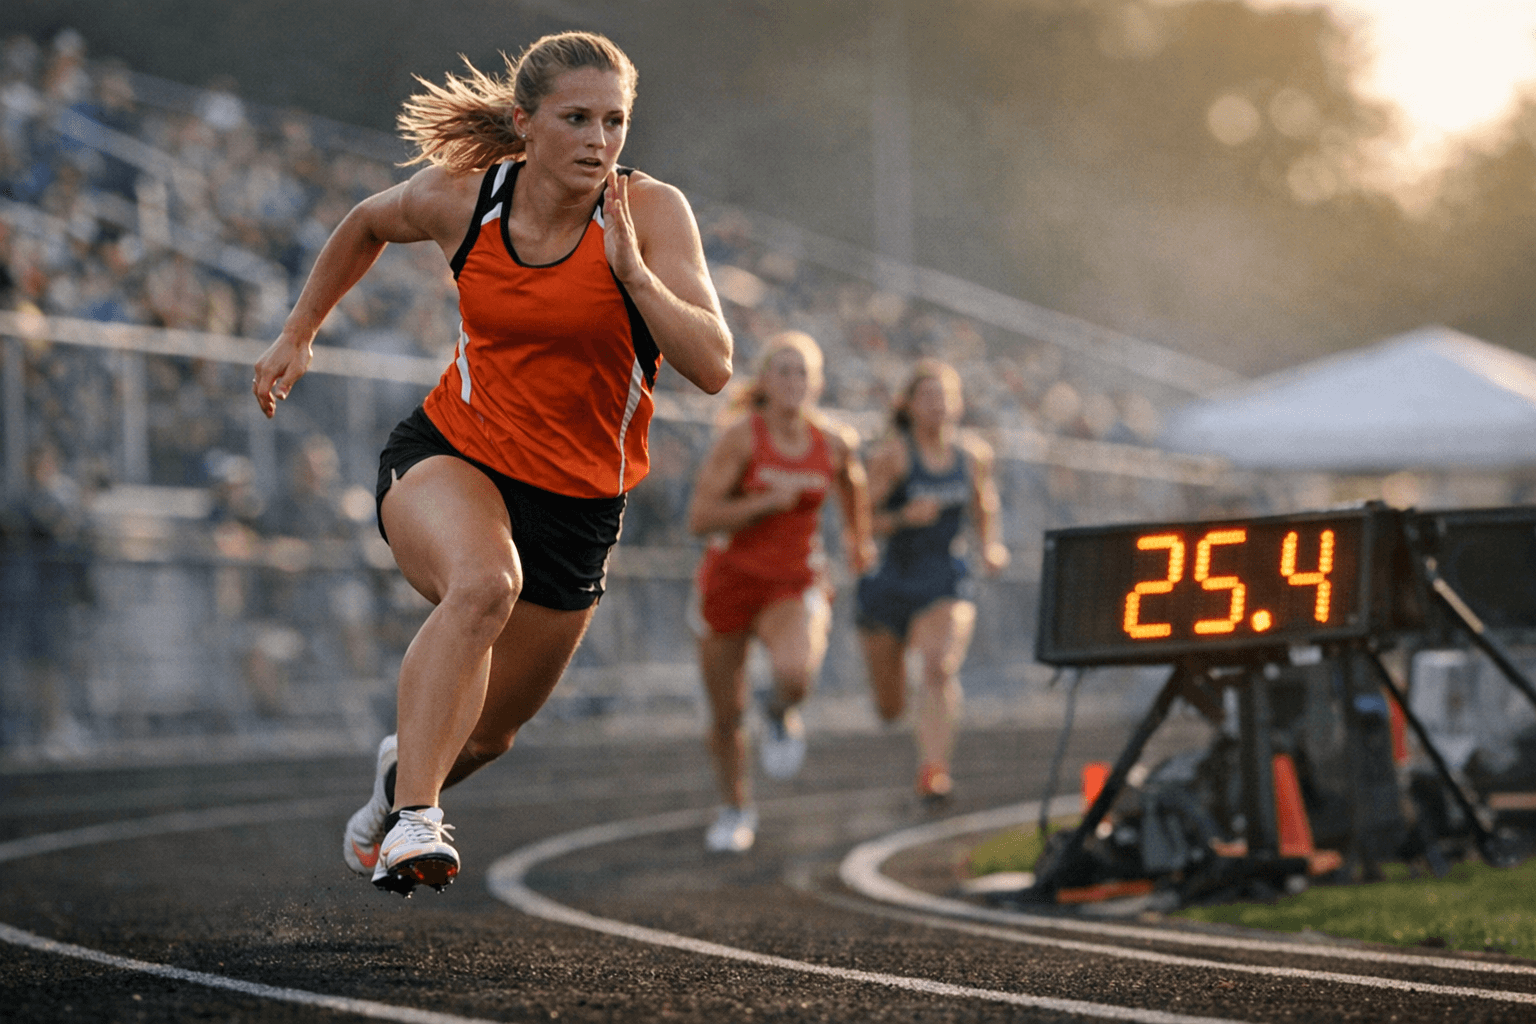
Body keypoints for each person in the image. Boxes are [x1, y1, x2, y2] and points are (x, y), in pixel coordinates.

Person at [250, 32, 732, 895]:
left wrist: (636, 279)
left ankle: (401, 782)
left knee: (487, 736)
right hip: (452, 455)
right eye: (576, 119)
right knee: (483, 586)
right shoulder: (464, 199)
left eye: (615, 122)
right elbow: (366, 222)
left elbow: (714, 365)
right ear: (526, 123)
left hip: (581, 504)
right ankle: (415, 824)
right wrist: (298, 332)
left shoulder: (649, 214)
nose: (599, 141)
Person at [686, 331, 875, 853]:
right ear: (765, 381)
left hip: (793, 583)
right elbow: (699, 519)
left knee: (796, 673)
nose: (793, 381)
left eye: (802, 372)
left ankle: (779, 712)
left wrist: (859, 541)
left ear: (816, 384)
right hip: (730, 582)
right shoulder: (742, 438)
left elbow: (853, 487)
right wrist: (765, 503)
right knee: (725, 715)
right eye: (783, 371)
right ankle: (734, 809)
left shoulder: (834, 442)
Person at [855, 358, 1008, 803]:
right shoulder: (894, 455)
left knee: (940, 666)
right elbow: (860, 519)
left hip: (944, 573)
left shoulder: (972, 456)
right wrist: (903, 516)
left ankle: (934, 771)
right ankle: (897, 700)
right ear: (909, 405)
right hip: (893, 578)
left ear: (958, 405)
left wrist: (990, 546)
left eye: (945, 397)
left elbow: (985, 504)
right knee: (890, 707)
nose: (938, 406)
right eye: (928, 397)